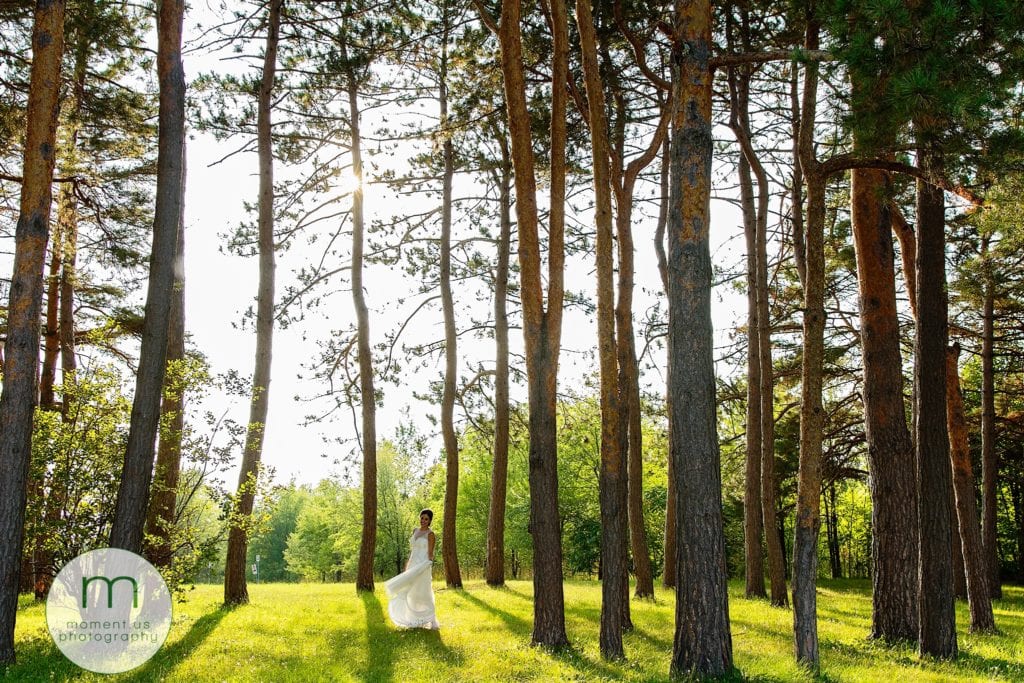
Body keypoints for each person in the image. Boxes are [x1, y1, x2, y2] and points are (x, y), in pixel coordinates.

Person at [384, 508, 439, 629]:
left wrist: (428, 565)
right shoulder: (415, 530)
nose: (423, 520)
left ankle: (429, 619)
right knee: (409, 591)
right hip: (413, 564)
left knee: (422, 592)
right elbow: (412, 551)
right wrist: (407, 566)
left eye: (426, 519)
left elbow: (430, 553)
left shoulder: (430, 534)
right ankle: (411, 619)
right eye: (422, 518)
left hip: (422, 566)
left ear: (430, 521)